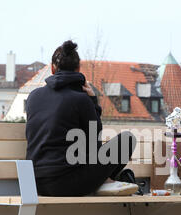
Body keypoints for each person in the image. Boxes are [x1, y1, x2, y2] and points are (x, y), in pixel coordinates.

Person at [25, 40, 138, 196]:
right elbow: (95, 148)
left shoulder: (33, 97)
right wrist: (93, 101)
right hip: (67, 185)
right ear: (78, 69)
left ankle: (106, 181)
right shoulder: (81, 100)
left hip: (34, 183)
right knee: (126, 139)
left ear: (52, 68)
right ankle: (106, 181)